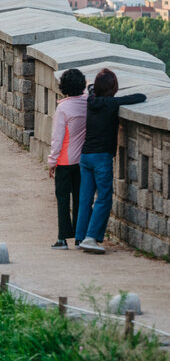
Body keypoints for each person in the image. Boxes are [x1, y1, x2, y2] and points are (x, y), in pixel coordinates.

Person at [76, 69, 146, 254]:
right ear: (113, 88)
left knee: (85, 198)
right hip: (101, 158)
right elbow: (139, 96)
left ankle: (80, 237)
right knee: (104, 198)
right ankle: (91, 238)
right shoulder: (111, 104)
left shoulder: (91, 100)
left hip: (85, 156)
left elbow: (91, 88)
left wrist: (94, 86)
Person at [47, 69, 87, 250]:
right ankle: (80, 237)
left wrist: (51, 162)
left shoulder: (63, 108)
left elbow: (58, 138)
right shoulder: (87, 103)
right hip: (82, 161)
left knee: (63, 199)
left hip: (64, 161)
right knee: (80, 198)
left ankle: (63, 238)